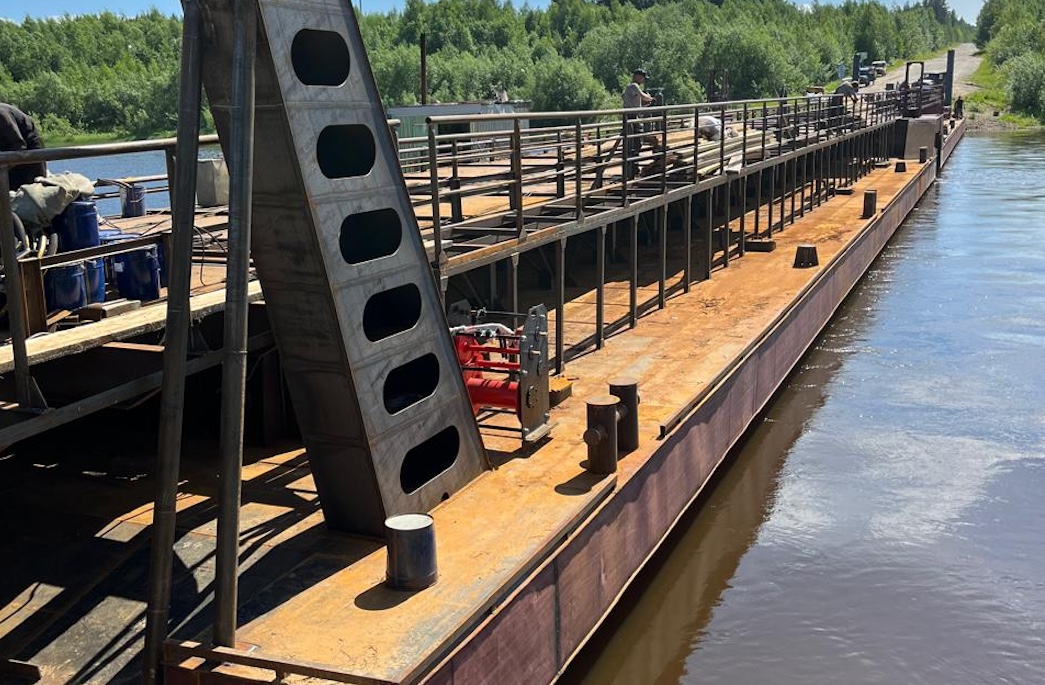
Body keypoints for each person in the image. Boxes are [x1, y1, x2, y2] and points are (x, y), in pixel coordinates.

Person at [0, 102, 47, 191]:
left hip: (30, 148)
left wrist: (3, 166)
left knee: (36, 189)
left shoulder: (1, 114)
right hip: (7, 152)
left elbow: (19, 145)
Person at [622, 69, 654, 179]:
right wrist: (652, 98)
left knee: (634, 144)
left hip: (632, 116)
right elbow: (643, 96)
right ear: (637, 76)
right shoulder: (633, 86)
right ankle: (632, 169)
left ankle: (633, 169)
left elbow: (638, 104)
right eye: (643, 77)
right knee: (634, 144)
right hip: (631, 117)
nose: (644, 80)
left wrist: (647, 104)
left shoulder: (632, 87)